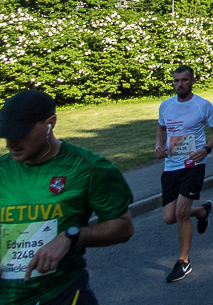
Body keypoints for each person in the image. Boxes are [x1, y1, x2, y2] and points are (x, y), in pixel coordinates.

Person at [0, 89, 134, 304]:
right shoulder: (3, 171)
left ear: (50, 123)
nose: (10, 143)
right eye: (6, 135)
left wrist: (71, 236)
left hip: (62, 293)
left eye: (20, 133)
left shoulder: (89, 167)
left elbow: (123, 227)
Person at [156, 65, 213, 283]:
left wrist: (206, 149)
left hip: (193, 166)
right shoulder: (165, 105)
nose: (179, 85)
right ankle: (202, 212)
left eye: (184, 80)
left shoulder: (202, 105)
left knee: (181, 214)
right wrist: (158, 145)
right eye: (176, 81)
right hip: (170, 166)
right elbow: (162, 128)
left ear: (192, 81)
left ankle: (183, 262)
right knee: (169, 217)